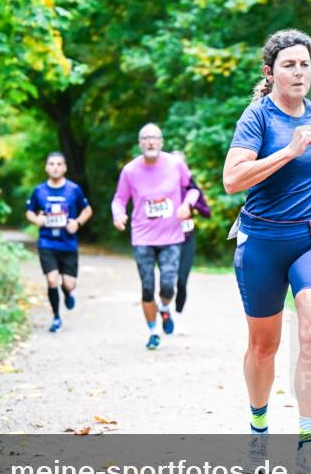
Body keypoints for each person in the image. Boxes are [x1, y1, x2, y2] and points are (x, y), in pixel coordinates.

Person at [222, 29, 311, 474]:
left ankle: (307, 446)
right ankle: (259, 433)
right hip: (262, 241)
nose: (298, 71)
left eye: (304, 64)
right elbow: (232, 180)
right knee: (264, 348)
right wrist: (286, 151)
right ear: (270, 72)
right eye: (289, 65)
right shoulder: (257, 117)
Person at [112, 123, 199, 349]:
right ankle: (153, 331)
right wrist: (118, 214)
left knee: (169, 287)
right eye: (145, 138)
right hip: (142, 238)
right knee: (148, 287)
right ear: (140, 143)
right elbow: (119, 199)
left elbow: (192, 189)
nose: (150, 141)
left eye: (155, 137)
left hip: (171, 237)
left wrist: (187, 205)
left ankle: (164, 307)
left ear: (161, 141)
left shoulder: (175, 164)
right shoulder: (130, 170)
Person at [25, 151, 92, 333]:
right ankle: (56, 317)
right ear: (46, 168)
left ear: (65, 168)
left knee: (69, 283)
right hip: (47, 243)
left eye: (59, 164)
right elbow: (30, 211)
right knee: (52, 280)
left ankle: (68, 291)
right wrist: (36, 220)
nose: (55, 167)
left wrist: (77, 222)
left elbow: (87, 210)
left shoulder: (73, 189)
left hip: (68, 244)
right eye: (51, 164)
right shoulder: (39, 191)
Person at [172, 151, 212, 320]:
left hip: (187, 237)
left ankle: (178, 316)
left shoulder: (192, 189)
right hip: (168, 239)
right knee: (167, 280)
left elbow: (207, 213)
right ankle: (164, 310)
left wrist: (194, 206)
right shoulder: (162, 187)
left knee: (182, 280)